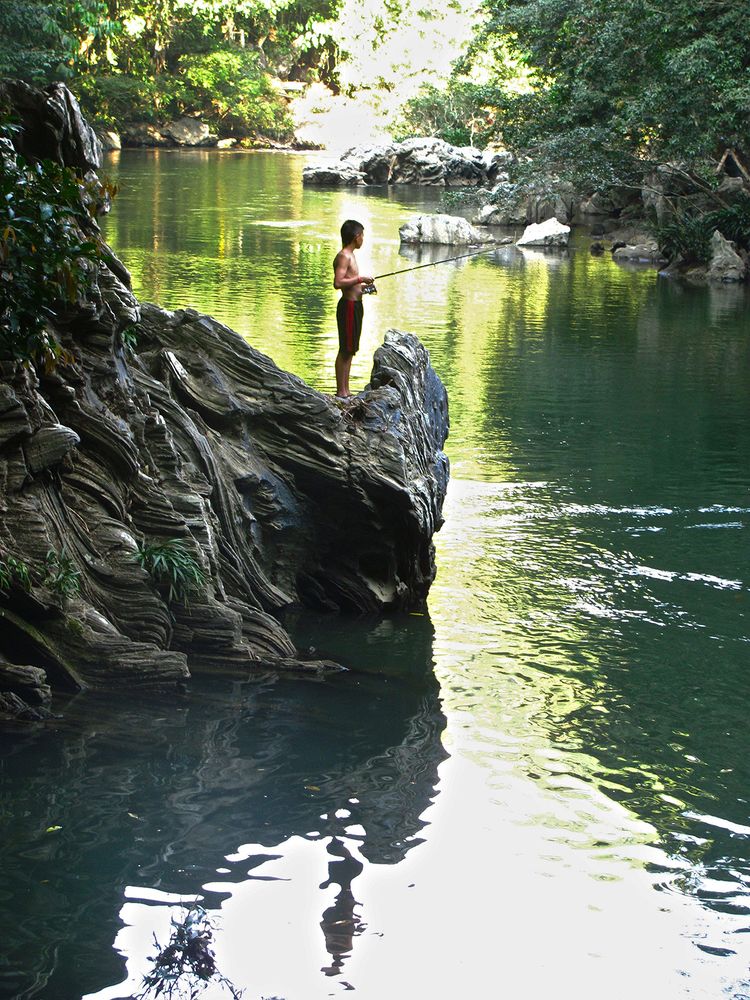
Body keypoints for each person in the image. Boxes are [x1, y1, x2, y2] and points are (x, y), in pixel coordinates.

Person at [332, 219, 374, 398]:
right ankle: (341, 392)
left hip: (356, 305)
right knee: (345, 349)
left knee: (351, 349)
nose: (363, 238)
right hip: (348, 306)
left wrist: (365, 287)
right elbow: (338, 282)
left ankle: (346, 391)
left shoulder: (352, 255)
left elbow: (351, 284)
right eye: (362, 235)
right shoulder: (344, 256)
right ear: (356, 237)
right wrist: (359, 279)